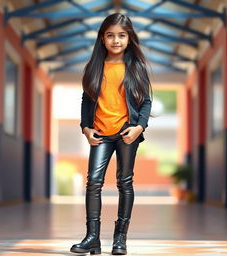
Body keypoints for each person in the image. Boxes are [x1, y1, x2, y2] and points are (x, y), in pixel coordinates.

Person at [70, 13, 152, 255]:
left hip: (128, 132)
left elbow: (146, 101)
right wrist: (85, 128)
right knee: (93, 183)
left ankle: (120, 239)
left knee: (124, 183)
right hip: (100, 134)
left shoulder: (136, 67)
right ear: (102, 38)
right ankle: (92, 237)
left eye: (121, 35)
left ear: (129, 38)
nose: (116, 40)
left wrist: (139, 128)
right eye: (110, 35)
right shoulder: (94, 67)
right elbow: (86, 99)